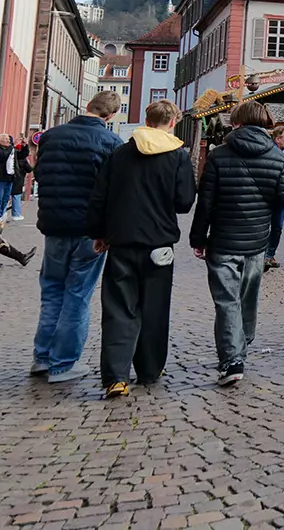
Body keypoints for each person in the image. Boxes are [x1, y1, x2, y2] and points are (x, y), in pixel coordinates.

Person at [88, 100, 197, 398]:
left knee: (119, 308)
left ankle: (115, 376)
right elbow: (185, 202)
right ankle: (149, 369)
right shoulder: (177, 156)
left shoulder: (120, 154)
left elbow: (100, 198)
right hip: (158, 242)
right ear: (173, 122)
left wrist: (99, 233)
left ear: (146, 121)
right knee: (155, 306)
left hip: (121, 240)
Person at [190, 101, 284, 386]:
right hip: (257, 240)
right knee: (247, 297)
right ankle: (240, 347)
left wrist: (198, 238)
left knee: (226, 301)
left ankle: (232, 358)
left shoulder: (219, 156)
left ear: (237, 123)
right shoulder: (277, 156)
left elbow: (205, 201)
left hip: (223, 239)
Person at [29, 92, 124, 383]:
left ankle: (42, 357)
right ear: (110, 116)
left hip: (55, 224)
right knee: (77, 295)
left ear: (87, 107)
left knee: (52, 291)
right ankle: (63, 363)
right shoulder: (111, 143)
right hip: (88, 229)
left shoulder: (51, 136)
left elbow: (40, 174)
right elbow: (112, 192)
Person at [264, 124, 284, 271]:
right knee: (263, 226)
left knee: (277, 227)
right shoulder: (267, 152)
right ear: (277, 139)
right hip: (266, 197)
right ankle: (263, 255)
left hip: (280, 198)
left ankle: (270, 253)